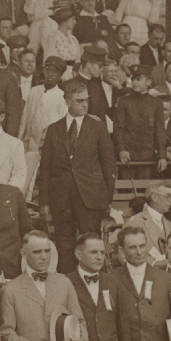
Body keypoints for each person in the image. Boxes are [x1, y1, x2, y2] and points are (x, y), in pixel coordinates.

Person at [39, 80, 116, 272]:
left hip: (90, 198)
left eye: (86, 101)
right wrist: (44, 202)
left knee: (91, 243)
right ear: (67, 101)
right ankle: (67, 283)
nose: (84, 105)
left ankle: (92, 283)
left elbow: (109, 165)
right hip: (61, 198)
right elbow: (46, 169)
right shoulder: (54, 129)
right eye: (79, 101)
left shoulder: (97, 127)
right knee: (64, 244)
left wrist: (106, 199)